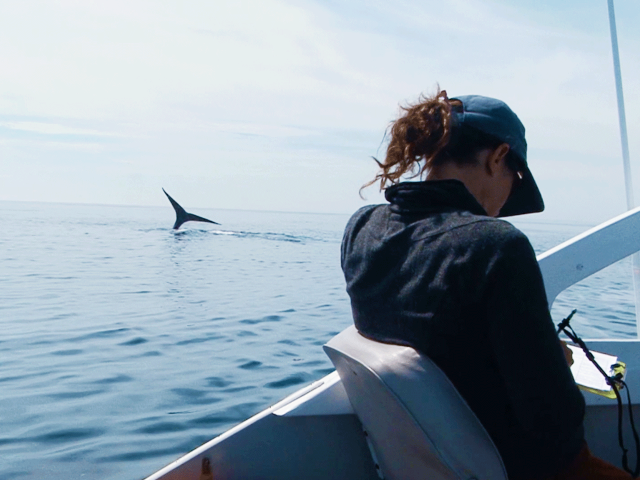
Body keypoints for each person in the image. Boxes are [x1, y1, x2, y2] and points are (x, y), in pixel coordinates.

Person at [340, 90, 631, 480]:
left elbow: (438, 338)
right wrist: (554, 364)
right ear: (498, 157)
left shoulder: (362, 228)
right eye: (516, 178)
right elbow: (555, 425)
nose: (507, 201)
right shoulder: (495, 246)